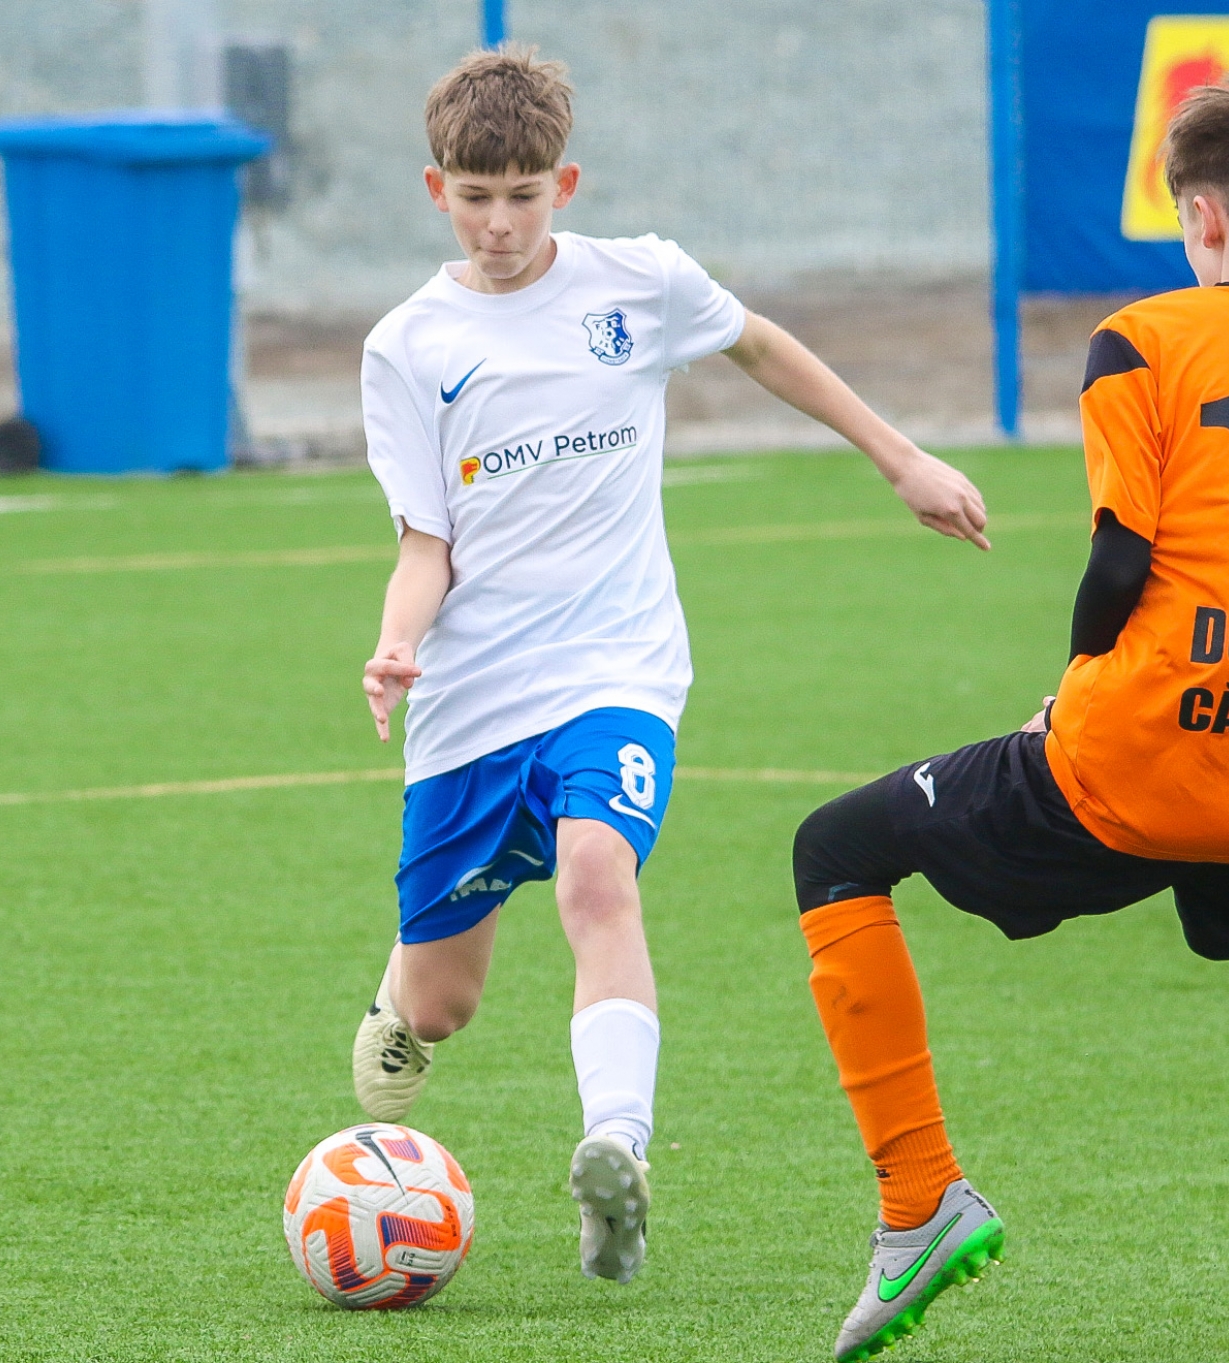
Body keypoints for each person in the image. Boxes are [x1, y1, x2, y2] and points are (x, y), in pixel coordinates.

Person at [789, 62, 1229, 1361]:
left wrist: (1069, 694)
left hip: (1139, 750)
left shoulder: (1145, 338)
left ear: (1198, 219)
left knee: (836, 848)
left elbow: (1119, 564)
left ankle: (919, 1200)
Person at [351, 45, 990, 1286]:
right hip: (474, 702)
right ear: (436, 193)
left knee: (598, 874)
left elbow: (762, 346)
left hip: (618, 669)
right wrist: (396, 640)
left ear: (565, 184)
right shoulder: (408, 346)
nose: (499, 224)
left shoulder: (639, 282)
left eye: (523, 195)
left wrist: (900, 458)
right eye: (474, 198)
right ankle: (399, 995)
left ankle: (617, 1152)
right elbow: (427, 542)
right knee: (440, 1006)